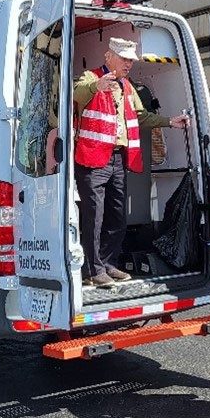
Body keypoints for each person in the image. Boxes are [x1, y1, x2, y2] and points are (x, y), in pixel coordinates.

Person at [73, 37, 189, 288]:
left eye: (131, 60)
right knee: (94, 216)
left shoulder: (127, 86)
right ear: (109, 57)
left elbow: (140, 116)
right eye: (125, 59)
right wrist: (97, 87)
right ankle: (92, 270)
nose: (129, 64)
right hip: (92, 160)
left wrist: (169, 121)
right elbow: (77, 95)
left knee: (117, 216)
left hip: (116, 159)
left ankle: (107, 264)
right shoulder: (90, 78)